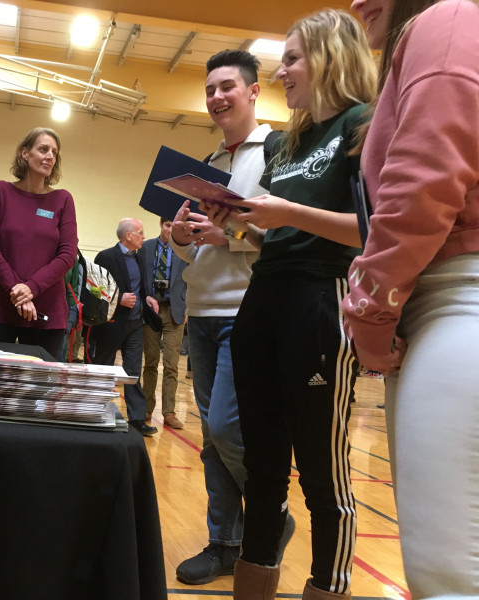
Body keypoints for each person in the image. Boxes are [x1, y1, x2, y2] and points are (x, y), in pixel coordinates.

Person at [200, 11, 376, 599]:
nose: (281, 71)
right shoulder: (291, 140)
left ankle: (328, 585)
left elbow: (372, 229)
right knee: (265, 470)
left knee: (323, 477)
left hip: (319, 303)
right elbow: (276, 233)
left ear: (330, 55)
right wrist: (239, 224)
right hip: (264, 304)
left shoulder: (363, 123)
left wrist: (285, 213)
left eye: (293, 58)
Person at [344, 1, 479, 598]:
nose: (355, 2)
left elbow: (420, 188)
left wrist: (368, 316)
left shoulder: (449, 21)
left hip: (458, 307)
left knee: (449, 579)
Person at [172, 49, 294, 586]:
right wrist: (179, 235)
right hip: (200, 309)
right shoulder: (209, 164)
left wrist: (232, 233)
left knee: (225, 427)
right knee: (211, 440)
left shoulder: (278, 153)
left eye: (227, 86)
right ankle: (224, 543)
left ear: (252, 91)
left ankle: (272, 515)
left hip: (247, 311)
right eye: (210, 89)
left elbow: (288, 240)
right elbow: (187, 250)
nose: (217, 96)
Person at [0, 128, 77, 359]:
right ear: (25, 154)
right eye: (43, 149)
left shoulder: (63, 200)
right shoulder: (0, 191)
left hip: (46, 313)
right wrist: (17, 289)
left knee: (38, 392)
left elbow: (68, 255)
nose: (50, 156)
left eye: (54, 152)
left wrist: (31, 288)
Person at [89, 218, 161, 437]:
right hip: (111, 324)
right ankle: (96, 412)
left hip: (135, 323)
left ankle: (137, 419)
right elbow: (94, 288)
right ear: (128, 235)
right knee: (103, 370)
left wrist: (147, 297)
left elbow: (140, 287)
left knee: (133, 372)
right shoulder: (106, 256)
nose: (144, 236)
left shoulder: (140, 256)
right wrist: (118, 298)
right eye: (140, 232)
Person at [141, 218, 187, 429]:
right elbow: (140, 279)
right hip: (152, 311)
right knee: (150, 363)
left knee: (171, 365)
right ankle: (147, 408)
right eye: (167, 225)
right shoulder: (147, 247)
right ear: (161, 224)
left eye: (174, 226)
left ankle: (169, 412)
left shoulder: (186, 250)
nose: (170, 229)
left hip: (175, 311)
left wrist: (187, 307)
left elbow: (192, 281)